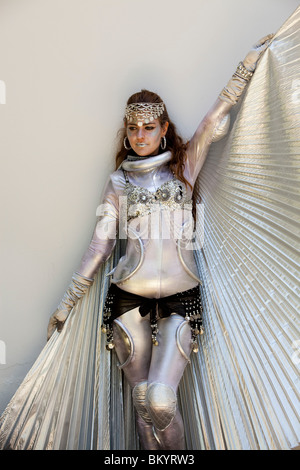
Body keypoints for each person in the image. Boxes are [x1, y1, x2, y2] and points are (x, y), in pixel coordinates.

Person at [47, 34, 274, 450]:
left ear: (164, 128)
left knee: (161, 401)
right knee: (142, 405)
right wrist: (67, 302)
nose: (140, 135)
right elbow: (99, 247)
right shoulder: (118, 182)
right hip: (126, 300)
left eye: (149, 127)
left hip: (180, 299)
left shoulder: (184, 168)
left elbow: (211, 121)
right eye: (133, 128)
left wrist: (246, 67)